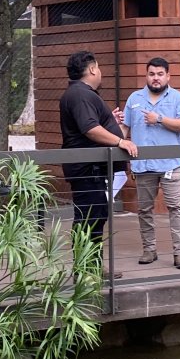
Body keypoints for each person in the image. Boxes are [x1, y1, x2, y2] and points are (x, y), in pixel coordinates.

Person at [59, 51, 137, 273]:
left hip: (92, 170)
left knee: (96, 216)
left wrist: (109, 121)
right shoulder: (80, 94)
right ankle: (86, 269)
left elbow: (91, 124)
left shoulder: (80, 94)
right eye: (99, 67)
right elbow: (90, 129)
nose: (100, 72)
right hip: (87, 170)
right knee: (89, 218)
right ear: (92, 69)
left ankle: (92, 266)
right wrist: (120, 141)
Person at [124, 57, 180, 270]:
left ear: (168, 76)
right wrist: (116, 134)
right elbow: (125, 129)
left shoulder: (179, 98)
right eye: (152, 74)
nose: (156, 78)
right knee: (144, 210)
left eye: (160, 74)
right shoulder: (134, 99)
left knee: (176, 208)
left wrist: (159, 119)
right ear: (146, 76)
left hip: (171, 164)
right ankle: (149, 250)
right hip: (143, 165)